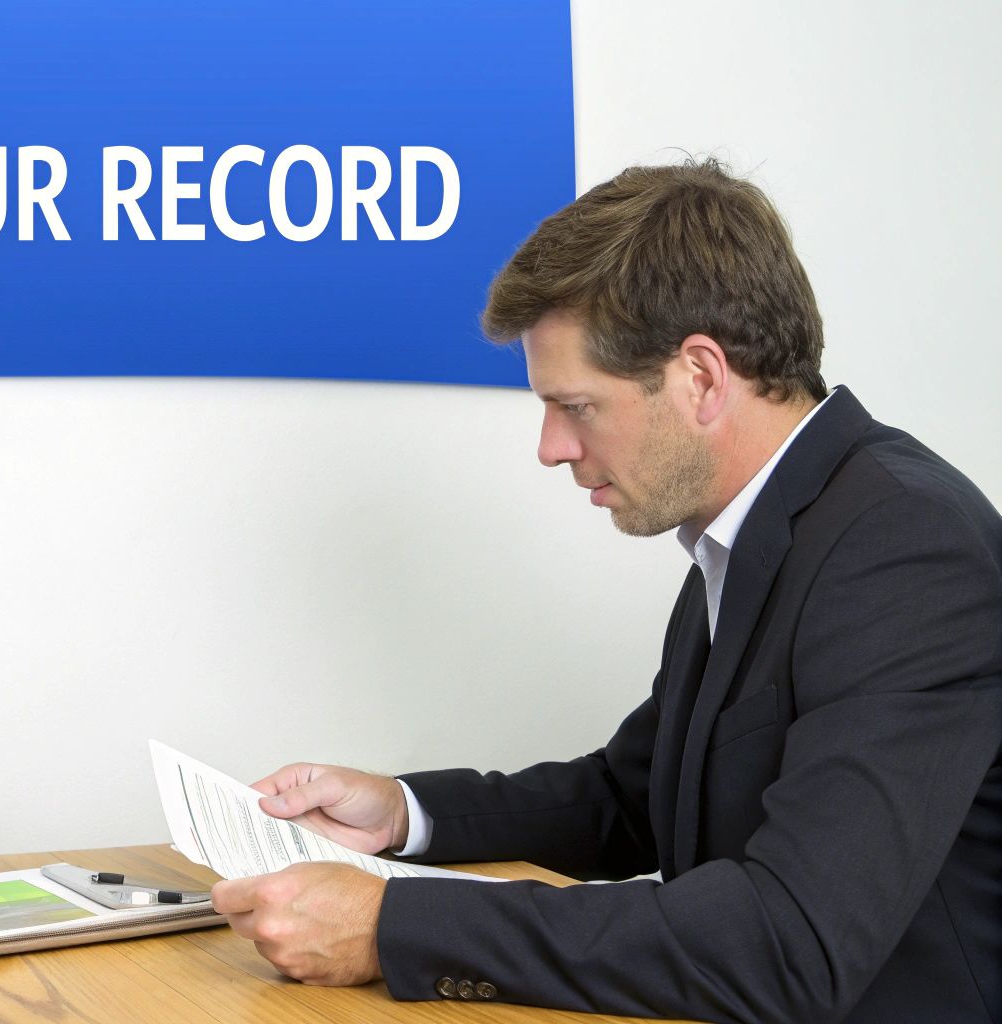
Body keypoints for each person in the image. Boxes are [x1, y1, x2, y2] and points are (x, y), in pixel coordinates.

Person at [210, 161, 1002, 1023]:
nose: (551, 447)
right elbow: (631, 798)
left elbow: (788, 939)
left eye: (576, 406)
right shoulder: (755, 532)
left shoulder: (904, 546)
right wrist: (406, 813)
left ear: (700, 377)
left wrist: (393, 924)